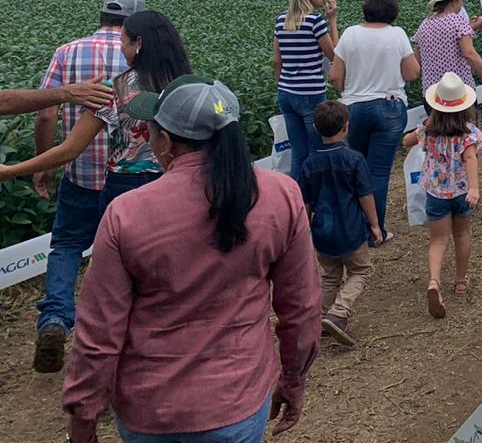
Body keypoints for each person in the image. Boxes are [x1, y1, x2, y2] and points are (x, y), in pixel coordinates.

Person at [62, 76, 320, 443]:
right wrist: (293, 381)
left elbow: (99, 332)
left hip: (149, 412)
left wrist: (83, 412)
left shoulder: (126, 214)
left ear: (164, 142)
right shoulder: (281, 195)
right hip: (237, 405)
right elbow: (302, 308)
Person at [23, 0, 140, 374]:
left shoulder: (68, 51)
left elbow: (45, 113)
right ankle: (115, 339)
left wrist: (45, 164)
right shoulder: (141, 56)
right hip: (129, 179)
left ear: (101, 15)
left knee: (68, 245)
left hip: (79, 172)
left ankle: (55, 318)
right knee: (121, 259)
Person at [0, 10, 192, 217]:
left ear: (138, 43)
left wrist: (11, 171)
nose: (121, 48)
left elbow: (70, 149)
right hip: (178, 179)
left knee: (115, 244)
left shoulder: (114, 90)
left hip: (125, 184)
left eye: (123, 42)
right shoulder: (191, 87)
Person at [330, 0, 419, 241]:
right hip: (389, 108)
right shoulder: (398, 34)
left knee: (354, 170)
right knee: (378, 173)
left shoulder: (349, 34)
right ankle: (375, 231)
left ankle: (353, 227)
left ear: (365, 8)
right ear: (392, 10)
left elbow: (335, 77)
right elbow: (412, 73)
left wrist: (350, 92)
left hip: (353, 109)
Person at [401, 72, 482, 320]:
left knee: (438, 241)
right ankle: (460, 281)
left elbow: (407, 141)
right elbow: (470, 157)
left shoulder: (428, 128)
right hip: (461, 192)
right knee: (462, 234)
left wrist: (412, 137)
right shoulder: (468, 132)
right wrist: (474, 188)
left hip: (436, 193)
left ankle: (434, 282)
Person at [300, 100, 382, 348]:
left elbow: (305, 203)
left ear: (315, 128)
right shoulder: (354, 159)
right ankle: (338, 312)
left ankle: (322, 319)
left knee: (330, 276)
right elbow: (364, 195)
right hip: (351, 230)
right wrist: (375, 225)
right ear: (347, 126)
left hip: (323, 232)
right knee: (360, 270)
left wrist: (305, 229)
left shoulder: (308, 165)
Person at [274, 0, 339, 181]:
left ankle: (297, 201)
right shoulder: (315, 21)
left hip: (286, 93)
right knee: (316, 151)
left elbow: (277, 61)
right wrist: (332, 19)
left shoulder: (282, 19)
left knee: (298, 152)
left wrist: (282, 84)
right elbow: (334, 56)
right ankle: (314, 200)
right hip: (311, 93)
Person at [411, 0, 482, 94]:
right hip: (457, 93)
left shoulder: (424, 24)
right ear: (454, 0)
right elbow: (470, 55)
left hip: (432, 93)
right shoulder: (458, 22)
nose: (462, 2)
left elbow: (416, 60)